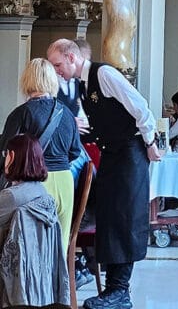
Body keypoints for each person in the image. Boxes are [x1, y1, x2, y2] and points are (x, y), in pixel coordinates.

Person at [48, 37, 162, 309]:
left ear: (72, 58)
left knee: (125, 218)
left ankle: (120, 291)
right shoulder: (83, 84)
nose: (56, 71)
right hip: (112, 155)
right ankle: (111, 286)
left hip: (130, 153)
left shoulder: (105, 74)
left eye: (57, 64)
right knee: (110, 218)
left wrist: (150, 142)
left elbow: (139, 106)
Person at [0, 56, 82, 254]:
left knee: (33, 247)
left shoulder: (21, 113)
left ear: (27, 80)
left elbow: (5, 153)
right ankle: (57, 283)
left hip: (35, 185)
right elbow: (75, 151)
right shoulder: (67, 114)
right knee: (58, 245)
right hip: (64, 182)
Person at [0, 133, 70, 308]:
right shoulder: (43, 193)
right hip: (36, 278)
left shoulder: (11, 197)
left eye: (5, 154)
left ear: (12, 156)